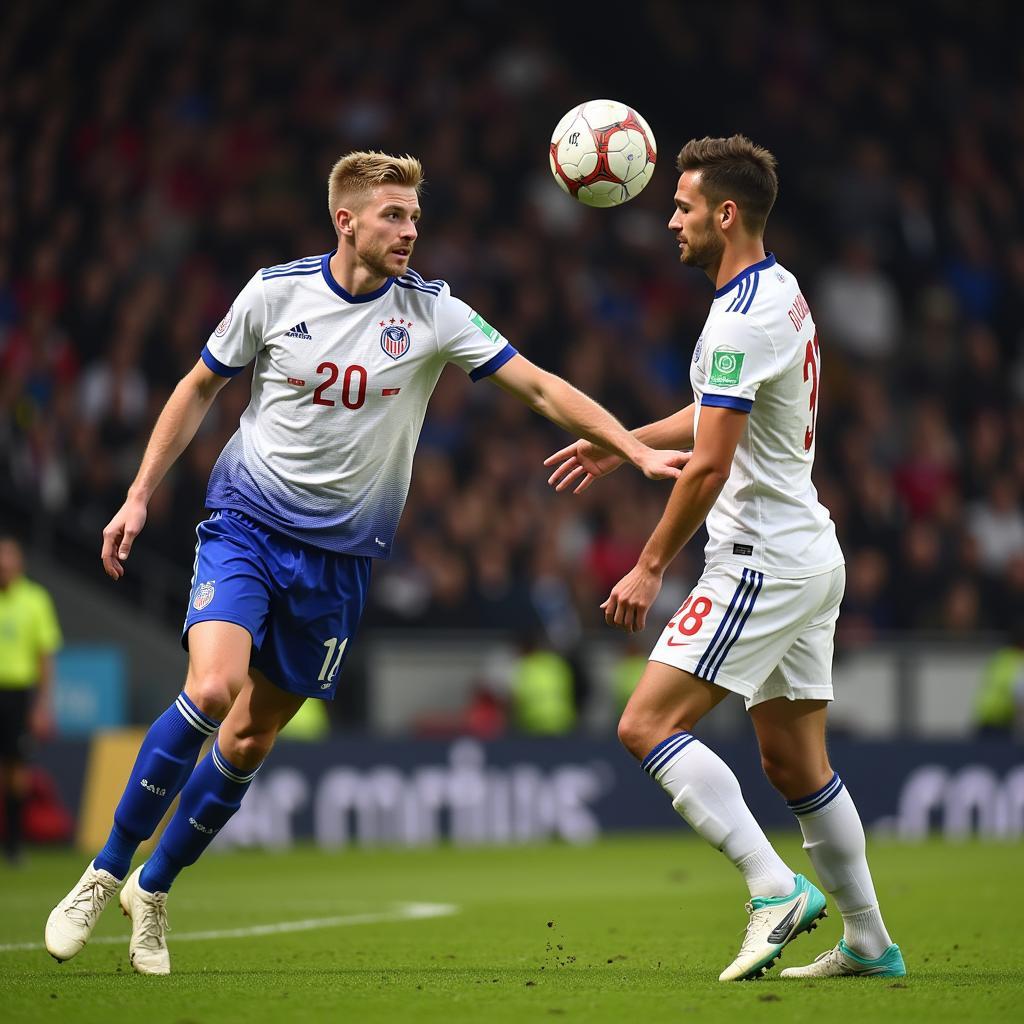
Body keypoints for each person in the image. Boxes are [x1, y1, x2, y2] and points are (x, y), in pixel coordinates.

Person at [44, 151, 687, 975]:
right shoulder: (274, 292)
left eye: (415, 217)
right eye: (393, 215)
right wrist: (138, 493)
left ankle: (154, 889)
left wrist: (631, 449)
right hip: (247, 523)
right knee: (212, 689)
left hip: (342, 559)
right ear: (345, 220)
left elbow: (538, 387)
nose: (410, 231)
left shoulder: (433, 312)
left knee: (250, 738)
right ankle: (102, 873)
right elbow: (198, 387)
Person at [546, 135, 905, 981]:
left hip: (760, 560)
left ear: (726, 213)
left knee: (645, 724)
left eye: (682, 206)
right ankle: (868, 941)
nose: (671, 219)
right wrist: (622, 443)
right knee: (795, 762)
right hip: (808, 551)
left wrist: (648, 563)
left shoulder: (740, 317)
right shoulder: (777, 292)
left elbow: (710, 462)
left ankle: (772, 888)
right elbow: (713, 412)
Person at [0, 536, 62, 865]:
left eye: (9, 557)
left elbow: (45, 656)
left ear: (19, 562)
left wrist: (41, 705)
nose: (4, 564)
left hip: (18, 693)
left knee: (16, 769)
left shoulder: (35, 600)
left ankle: (13, 844)